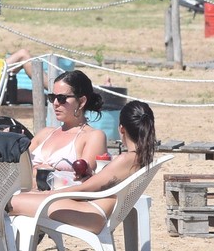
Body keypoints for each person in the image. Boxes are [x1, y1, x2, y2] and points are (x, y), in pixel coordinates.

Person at [8, 100, 157, 234]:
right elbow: (100, 185)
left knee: (9, 203)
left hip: (91, 214)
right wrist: (91, 177)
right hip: (95, 211)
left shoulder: (125, 158)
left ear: (121, 129)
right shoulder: (140, 157)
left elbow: (83, 189)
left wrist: (48, 195)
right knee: (18, 198)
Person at [23, 68, 110, 193]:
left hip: (58, 201)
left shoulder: (93, 136)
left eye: (62, 98)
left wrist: (38, 173)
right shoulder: (45, 133)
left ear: (81, 102)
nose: (56, 103)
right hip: (30, 195)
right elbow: (16, 167)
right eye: (52, 97)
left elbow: (83, 182)